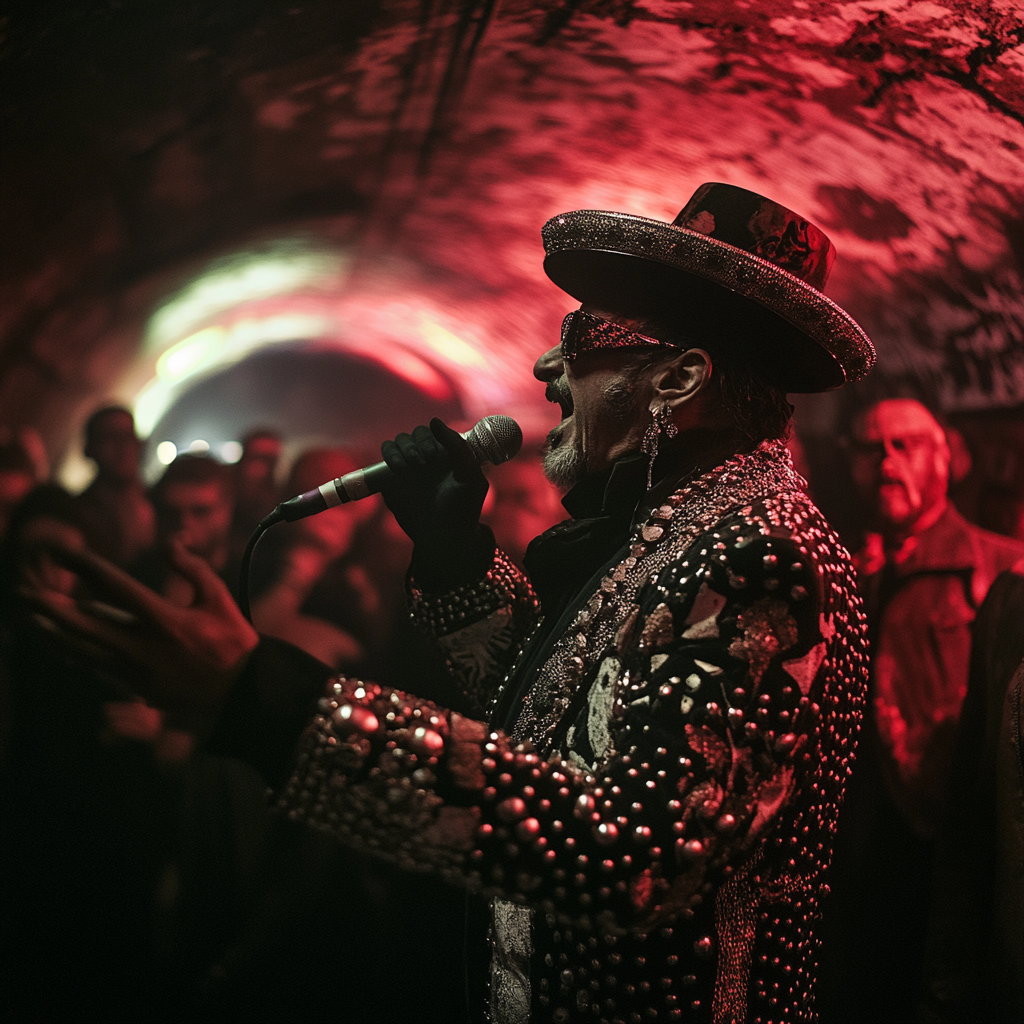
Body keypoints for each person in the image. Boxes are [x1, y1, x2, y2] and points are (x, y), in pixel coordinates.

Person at [28, 182, 875, 1022]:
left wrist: (274, 706)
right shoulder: (684, 528)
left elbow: (636, 854)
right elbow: (553, 731)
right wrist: (457, 556)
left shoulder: (765, 556)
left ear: (681, 378)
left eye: (582, 336)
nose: (548, 367)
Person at [820, 398, 1024, 1022]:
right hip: (851, 840)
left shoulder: (996, 568)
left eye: (906, 446)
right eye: (871, 448)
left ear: (946, 457)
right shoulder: (841, 569)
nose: (886, 463)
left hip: (941, 835)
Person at [134, 453, 240, 605]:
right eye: (172, 513)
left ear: (228, 509)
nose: (185, 523)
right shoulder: (140, 575)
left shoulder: (251, 579)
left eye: (200, 511)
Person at [74, 405, 155, 567]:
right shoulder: (77, 514)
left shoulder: (162, 503)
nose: (123, 447)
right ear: (91, 448)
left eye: (128, 436)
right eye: (110, 438)